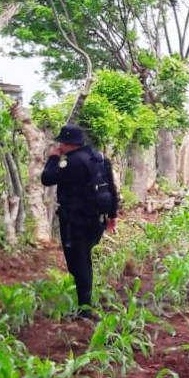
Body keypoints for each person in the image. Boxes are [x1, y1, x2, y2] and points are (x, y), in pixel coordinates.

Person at [41, 124, 119, 318]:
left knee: (78, 263)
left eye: (61, 143)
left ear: (68, 144)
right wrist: (113, 215)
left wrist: (52, 158)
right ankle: (85, 305)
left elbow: (47, 178)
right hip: (96, 220)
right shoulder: (99, 158)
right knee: (82, 260)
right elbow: (111, 187)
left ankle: (85, 309)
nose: (59, 146)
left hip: (75, 221)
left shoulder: (72, 162)